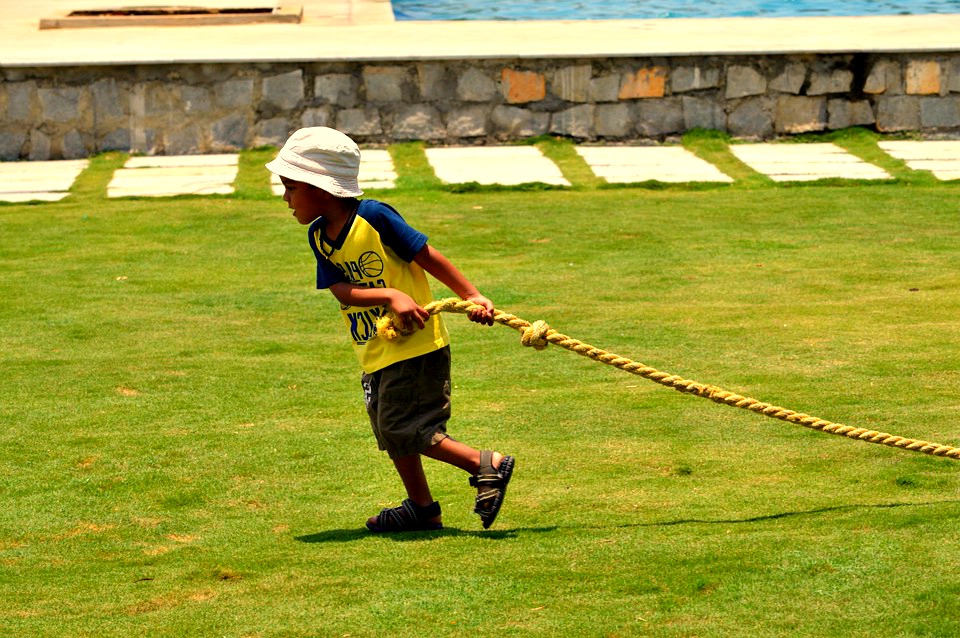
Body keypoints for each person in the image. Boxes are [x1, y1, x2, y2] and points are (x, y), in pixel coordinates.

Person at [266, 127, 515, 532]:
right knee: (389, 430)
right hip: (375, 349)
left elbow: (427, 255)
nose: (285, 198)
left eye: (291, 187)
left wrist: (472, 295)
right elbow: (339, 288)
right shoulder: (319, 236)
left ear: (320, 188)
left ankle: (485, 464)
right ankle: (422, 508)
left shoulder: (375, 217)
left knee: (407, 427)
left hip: (416, 345)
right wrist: (387, 295)